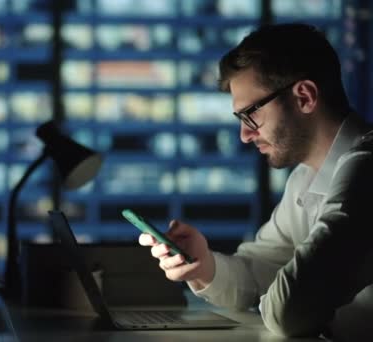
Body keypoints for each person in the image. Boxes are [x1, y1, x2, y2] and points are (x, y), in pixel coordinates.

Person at [139, 23, 373, 340]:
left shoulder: (366, 169)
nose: (245, 135)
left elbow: (289, 311)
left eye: (251, 114)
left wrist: (270, 295)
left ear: (304, 96)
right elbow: (260, 267)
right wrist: (204, 266)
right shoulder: (304, 178)